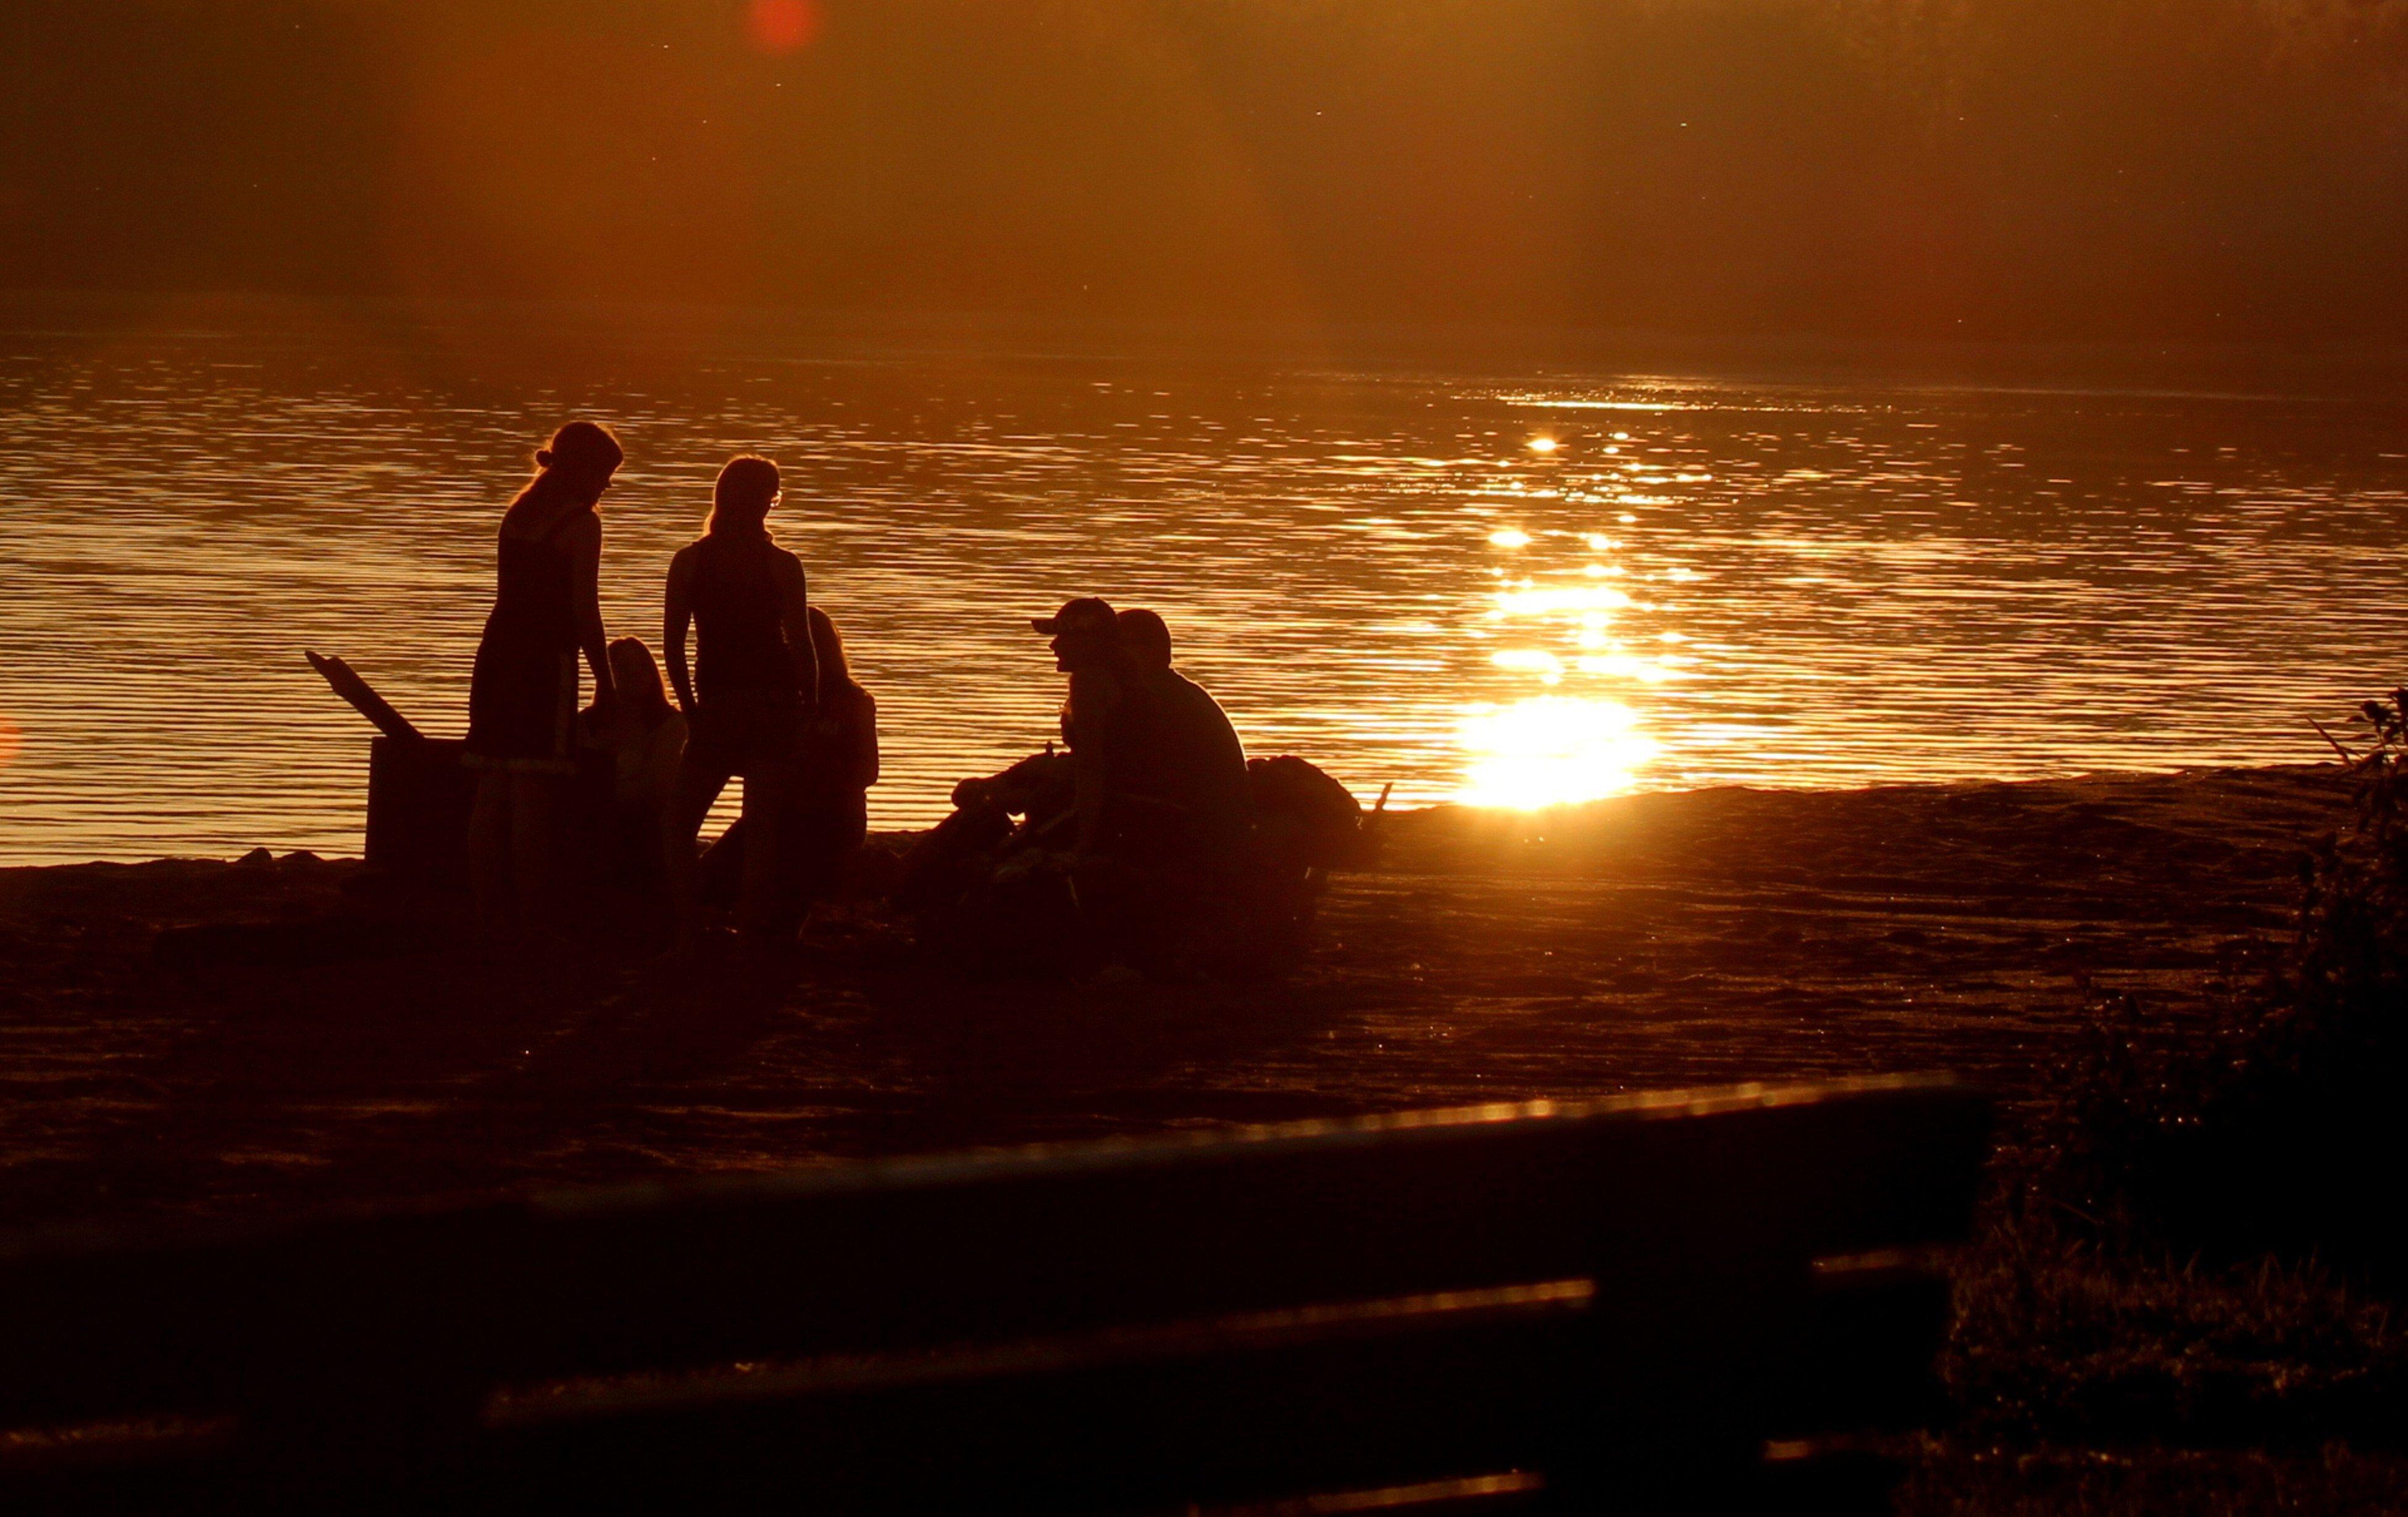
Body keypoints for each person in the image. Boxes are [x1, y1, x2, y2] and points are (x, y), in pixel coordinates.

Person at [464, 420, 621, 935]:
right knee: (534, 786)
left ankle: (486, 905)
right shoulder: (580, 523)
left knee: (493, 780)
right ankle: (531, 910)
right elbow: (584, 609)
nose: (606, 488)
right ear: (584, 470)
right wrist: (605, 677)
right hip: (543, 661)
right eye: (604, 476)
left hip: (497, 652)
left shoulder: (518, 513)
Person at [661, 454, 819, 945]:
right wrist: (807, 710)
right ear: (769, 502)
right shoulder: (782, 564)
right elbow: (802, 646)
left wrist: (690, 708)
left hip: (721, 703)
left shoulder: (691, 561)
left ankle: (686, 922)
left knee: (678, 824)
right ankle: (750, 928)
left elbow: (672, 645)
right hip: (774, 703)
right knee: (762, 827)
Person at [1114, 607, 1253, 863]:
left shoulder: (1154, 698)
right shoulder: (1176, 690)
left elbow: (1139, 770)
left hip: (1199, 821)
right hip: (1212, 812)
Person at [578, 636, 687, 890]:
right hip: (594, 820)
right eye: (623, 668)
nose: (634, 674)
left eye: (641, 666)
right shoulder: (587, 723)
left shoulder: (670, 724)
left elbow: (661, 788)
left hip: (645, 823)